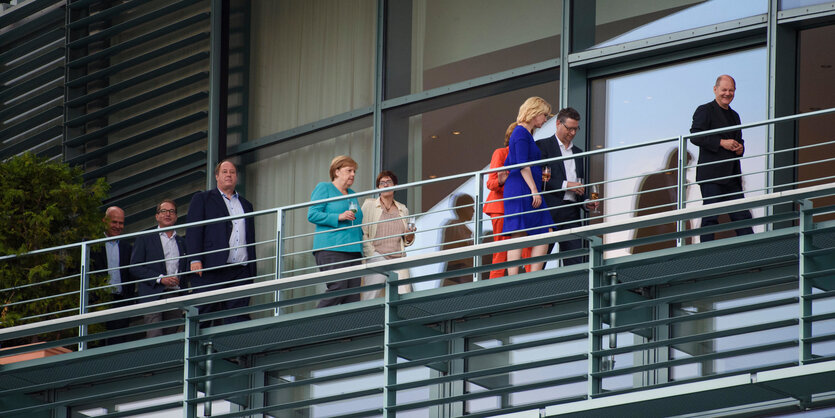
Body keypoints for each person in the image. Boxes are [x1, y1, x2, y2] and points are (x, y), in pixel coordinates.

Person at [186, 159, 255, 325]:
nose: (229, 175)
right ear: (216, 176)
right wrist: (195, 259)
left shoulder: (246, 204)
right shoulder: (203, 198)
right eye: (225, 172)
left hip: (240, 269)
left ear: (236, 177)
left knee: (237, 315)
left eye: (232, 172)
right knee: (203, 311)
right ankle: (195, 349)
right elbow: (194, 230)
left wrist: (252, 267)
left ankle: (232, 349)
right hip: (212, 266)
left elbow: (250, 237)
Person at [690, 74, 753, 242]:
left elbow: (739, 140)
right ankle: (706, 254)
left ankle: (753, 253)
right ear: (715, 89)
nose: (727, 93)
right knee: (710, 217)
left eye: (731, 90)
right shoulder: (705, 110)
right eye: (724, 89)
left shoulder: (735, 116)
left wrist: (740, 148)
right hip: (712, 175)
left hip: (731, 175)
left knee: (742, 216)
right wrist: (721, 142)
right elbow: (695, 136)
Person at [537, 107, 598, 266]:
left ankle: (577, 291)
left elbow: (580, 183)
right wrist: (566, 185)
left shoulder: (578, 152)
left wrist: (586, 201)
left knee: (575, 260)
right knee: (539, 260)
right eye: (569, 128)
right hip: (549, 211)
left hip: (572, 212)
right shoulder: (543, 146)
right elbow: (539, 178)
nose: (572, 133)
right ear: (558, 124)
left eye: (575, 129)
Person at [502, 96, 554, 275]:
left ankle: (527, 276)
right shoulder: (521, 133)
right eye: (544, 115)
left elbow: (512, 162)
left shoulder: (523, 133)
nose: (545, 120)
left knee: (535, 231)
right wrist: (534, 190)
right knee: (522, 233)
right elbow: (522, 165)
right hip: (523, 187)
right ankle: (523, 277)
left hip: (521, 186)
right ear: (535, 113)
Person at [308, 155, 364, 307]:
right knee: (338, 287)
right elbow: (312, 214)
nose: (353, 174)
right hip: (331, 247)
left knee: (352, 296)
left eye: (354, 171)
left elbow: (356, 220)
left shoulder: (352, 194)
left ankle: (347, 330)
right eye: (349, 170)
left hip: (353, 249)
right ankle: (314, 324)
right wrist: (338, 216)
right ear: (337, 171)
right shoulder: (324, 188)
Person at [130, 199, 189, 337]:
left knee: (171, 337)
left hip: (175, 295)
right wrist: (160, 279)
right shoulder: (145, 239)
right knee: (155, 336)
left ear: (176, 216)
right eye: (163, 211)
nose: (168, 214)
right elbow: (135, 267)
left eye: (171, 211)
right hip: (153, 295)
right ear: (157, 216)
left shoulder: (181, 242)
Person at [484, 122, 532, 278]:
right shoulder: (501, 153)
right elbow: (490, 183)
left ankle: (531, 282)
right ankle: (495, 287)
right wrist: (502, 181)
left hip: (520, 206)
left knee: (527, 249)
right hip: (501, 208)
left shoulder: (526, 157)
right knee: (502, 250)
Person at [359, 170, 415, 300]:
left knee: (403, 296)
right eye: (382, 183)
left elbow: (406, 239)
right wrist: (372, 254)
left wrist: (410, 237)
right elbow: (363, 232)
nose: (385, 185)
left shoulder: (403, 209)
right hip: (377, 256)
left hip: (398, 258)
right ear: (378, 187)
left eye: (388, 182)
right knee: (370, 297)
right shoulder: (369, 205)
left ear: (395, 185)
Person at [90, 206, 136, 344]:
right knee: (97, 342)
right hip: (99, 301)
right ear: (104, 221)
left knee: (118, 342)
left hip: (121, 301)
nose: (118, 226)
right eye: (114, 222)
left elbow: (130, 275)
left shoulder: (127, 247)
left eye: (121, 223)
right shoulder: (92, 244)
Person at [440, 194, 475, 286]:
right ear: (463, 208)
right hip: (456, 278)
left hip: (464, 276)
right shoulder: (453, 226)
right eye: (470, 207)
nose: (473, 211)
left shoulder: (467, 231)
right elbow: (447, 251)